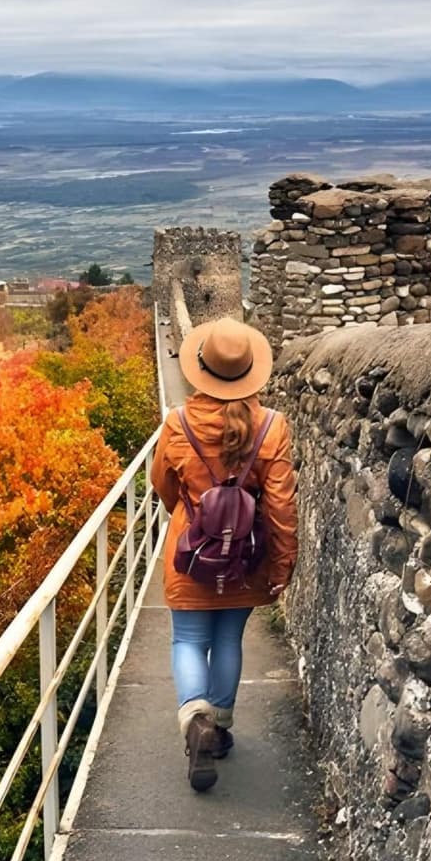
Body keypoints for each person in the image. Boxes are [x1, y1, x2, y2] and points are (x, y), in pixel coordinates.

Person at [151, 317, 298, 792]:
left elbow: (163, 486)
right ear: (251, 369)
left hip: (191, 555)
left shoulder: (177, 422)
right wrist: (281, 565)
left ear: (201, 367)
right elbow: (279, 506)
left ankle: (196, 719)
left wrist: (193, 515)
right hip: (245, 556)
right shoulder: (272, 427)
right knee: (229, 638)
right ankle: (221, 728)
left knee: (189, 640)